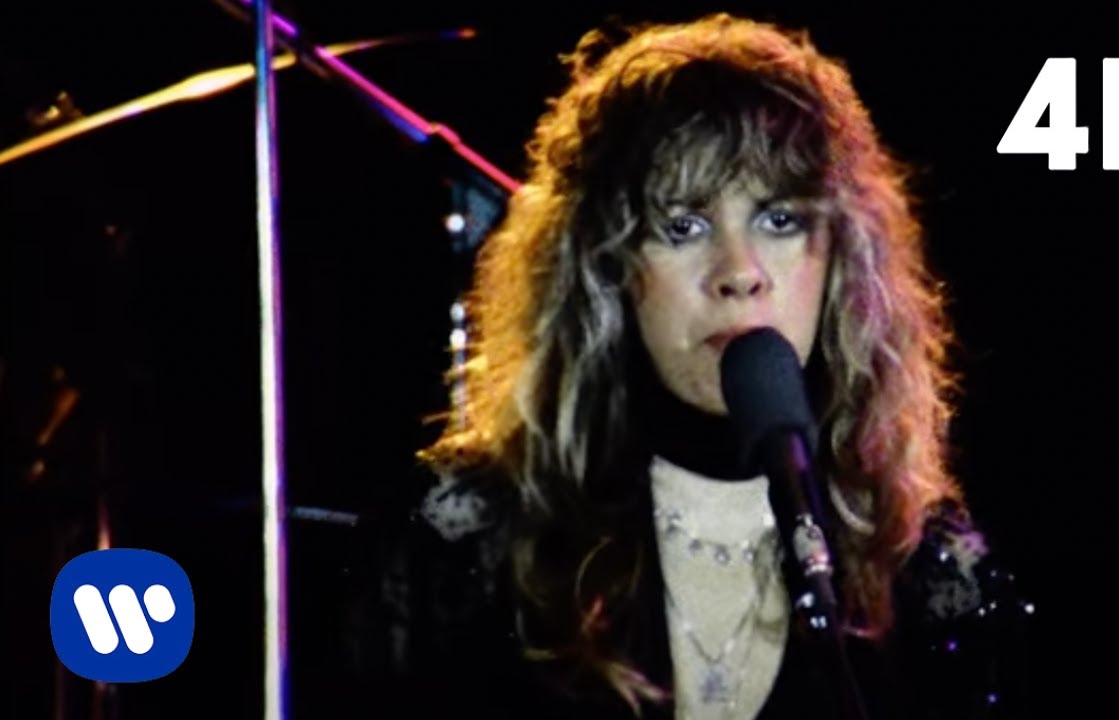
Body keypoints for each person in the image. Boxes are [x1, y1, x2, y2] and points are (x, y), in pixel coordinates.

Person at [407, 13, 1031, 719]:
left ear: (840, 260)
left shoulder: (928, 564)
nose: (739, 272)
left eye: (780, 221)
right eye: (684, 227)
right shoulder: (470, 536)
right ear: (610, 268)